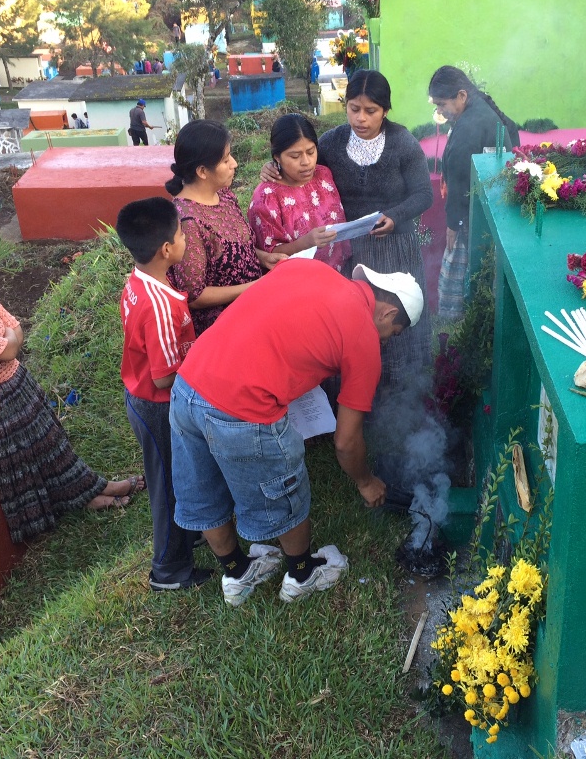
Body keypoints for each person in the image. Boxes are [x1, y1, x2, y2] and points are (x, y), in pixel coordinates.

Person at [170, 258, 425, 607]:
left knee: (204, 491)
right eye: (393, 334)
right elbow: (346, 442)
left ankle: (237, 573)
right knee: (287, 488)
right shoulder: (364, 338)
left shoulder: (310, 270)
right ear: (389, 313)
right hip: (242, 407)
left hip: (188, 385)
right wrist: (366, 482)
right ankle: (303, 575)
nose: (386, 341)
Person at [0, 239, 144, 544]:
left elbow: (14, 329)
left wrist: (7, 339)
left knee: (51, 441)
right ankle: (90, 494)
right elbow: (9, 348)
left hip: (13, 385)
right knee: (36, 449)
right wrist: (7, 339)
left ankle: (94, 488)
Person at [262, 70, 433, 388]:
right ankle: (355, 390)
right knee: (354, 324)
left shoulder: (402, 143)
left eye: (371, 111)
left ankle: (400, 391)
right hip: (350, 254)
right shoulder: (331, 143)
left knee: (394, 319)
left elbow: (424, 194)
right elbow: (302, 165)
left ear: (385, 110)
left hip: (395, 250)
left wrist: (394, 217)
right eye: (354, 108)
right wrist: (272, 167)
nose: (361, 119)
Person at [115, 197, 213, 592]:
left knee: (176, 476)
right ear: (167, 250)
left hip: (141, 397)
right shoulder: (161, 307)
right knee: (170, 485)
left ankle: (189, 534)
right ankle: (169, 570)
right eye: (181, 233)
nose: (186, 238)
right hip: (156, 405)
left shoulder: (141, 281)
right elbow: (164, 379)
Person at [165, 119, 284, 335]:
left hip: (254, 307)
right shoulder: (187, 222)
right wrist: (252, 288)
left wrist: (262, 258)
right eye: (226, 159)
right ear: (202, 171)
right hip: (223, 328)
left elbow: (232, 250)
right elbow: (194, 296)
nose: (235, 163)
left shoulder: (224, 196)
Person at [428, 65, 520, 320]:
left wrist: (453, 224)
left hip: (474, 211)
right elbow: (512, 130)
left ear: (461, 96)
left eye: (442, 104)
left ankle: (459, 320)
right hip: (492, 202)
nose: (440, 111)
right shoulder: (480, 105)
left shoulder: (470, 125)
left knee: (462, 268)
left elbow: (459, 178)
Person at [248, 113, 349, 273]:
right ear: (277, 157)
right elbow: (269, 255)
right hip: (298, 281)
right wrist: (306, 242)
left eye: (311, 152)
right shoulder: (267, 197)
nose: (306, 162)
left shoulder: (323, 174)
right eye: (295, 156)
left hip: (340, 273)